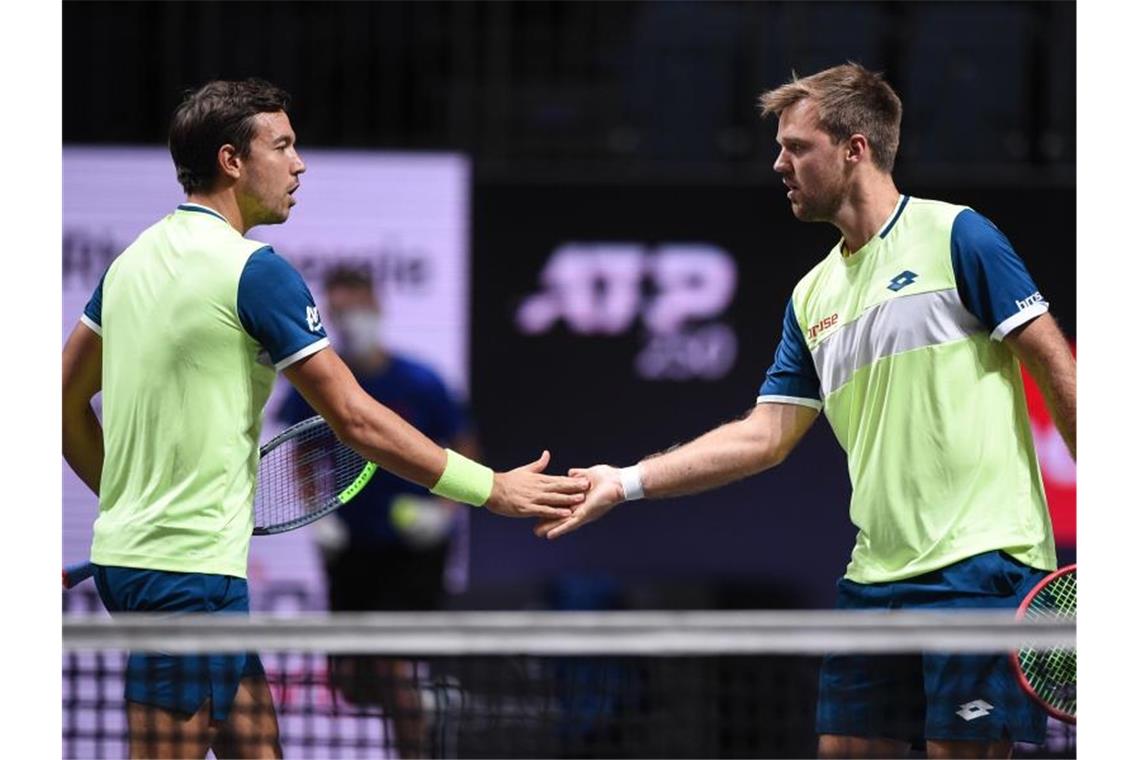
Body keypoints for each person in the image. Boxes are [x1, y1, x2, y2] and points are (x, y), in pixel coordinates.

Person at [536, 63, 1075, 759]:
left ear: (854, 148)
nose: (778, 163)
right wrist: (628, 480)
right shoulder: (812, 295)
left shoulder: (958, 237)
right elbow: (765, 436)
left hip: (982, 568)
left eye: (797, 146)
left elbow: (1058, 368)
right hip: (874, 577)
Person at [60, 78, 588, 760]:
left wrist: (128, 502)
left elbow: (64, 402)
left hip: (154, 567)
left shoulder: (128, 265)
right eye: (282, 145)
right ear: (231, 160)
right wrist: (491, 488)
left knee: (261, 749)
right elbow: (356, 421)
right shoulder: (255, 272)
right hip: (183, 580)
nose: (298, 163)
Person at [276, 264, 477, 757]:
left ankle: (415, 737)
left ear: (378, 308)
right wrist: (318, 512)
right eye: (339, 311)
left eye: (357, 308)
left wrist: (445, 512)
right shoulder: (322, 384)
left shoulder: (422, 382)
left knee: (391, 663)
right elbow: (303, 451)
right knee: (350, 679)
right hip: (352, 550)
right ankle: (427, 703)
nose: (350, 320)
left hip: (414, 550)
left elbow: (466, 448)